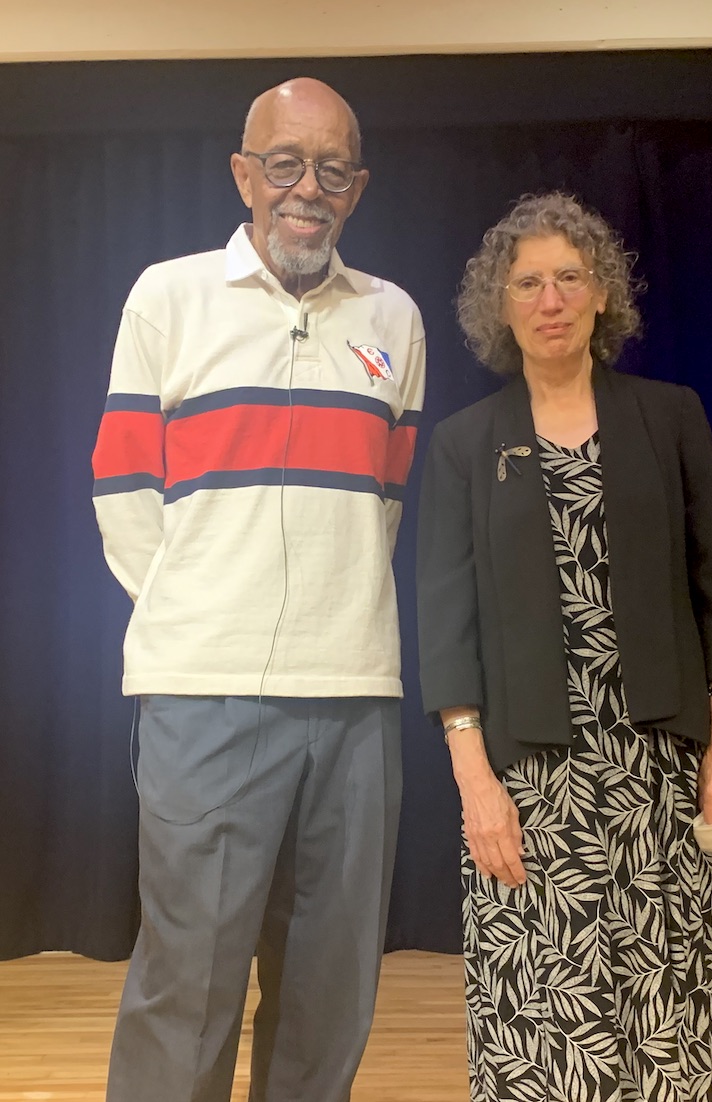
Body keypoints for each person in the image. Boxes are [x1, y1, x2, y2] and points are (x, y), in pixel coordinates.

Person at [91, 78, 425, 1102]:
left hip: (357, 701)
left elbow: (386, 499)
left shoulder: (394, 317)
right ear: (244, 173)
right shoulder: (168, 295)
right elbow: (122, 489)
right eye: (285, 163)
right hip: (204, 694)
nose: (306, 189)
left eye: (331, 169)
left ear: (357, 187)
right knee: (186, 986)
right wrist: (200, 610)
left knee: (330, 998)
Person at [417, 192, 712, 1102]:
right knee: (545, 1017)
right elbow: (445, 628)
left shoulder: (669, 415)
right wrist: (475, 787)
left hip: (661, 768)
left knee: (670, 1013)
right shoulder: (463, 446)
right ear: (499, 306)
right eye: (526, 282)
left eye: (571, 277)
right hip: (527, 784)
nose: (551, 299)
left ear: (603, 293)